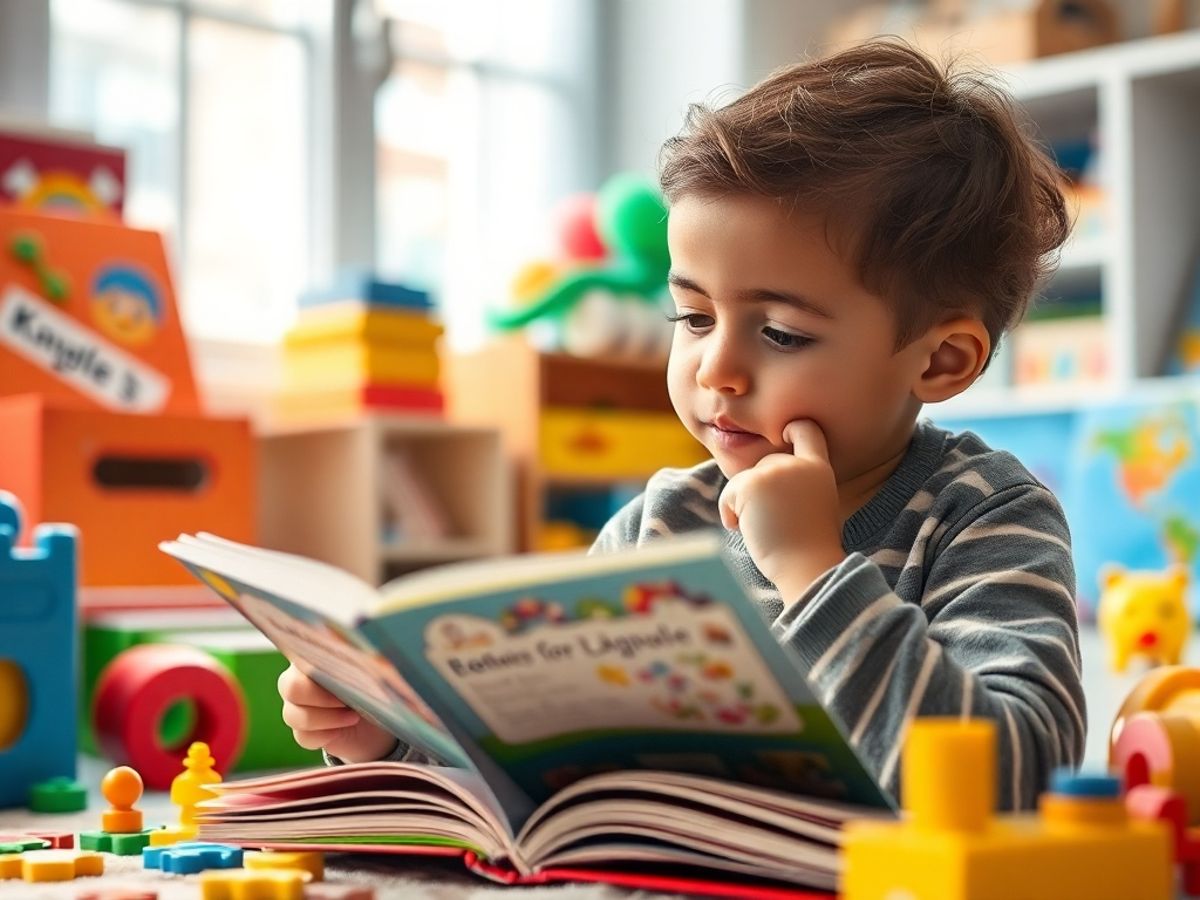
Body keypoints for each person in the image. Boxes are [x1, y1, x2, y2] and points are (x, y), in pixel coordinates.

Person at [279, 38, 1085, 810]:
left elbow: (1020, 780)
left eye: (780, 333)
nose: (714, 369)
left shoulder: (985, 515)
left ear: (940, 362)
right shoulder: (661, 527)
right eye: (694, 317)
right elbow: (532, 752)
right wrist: (387, 735)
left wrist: (813, 570)